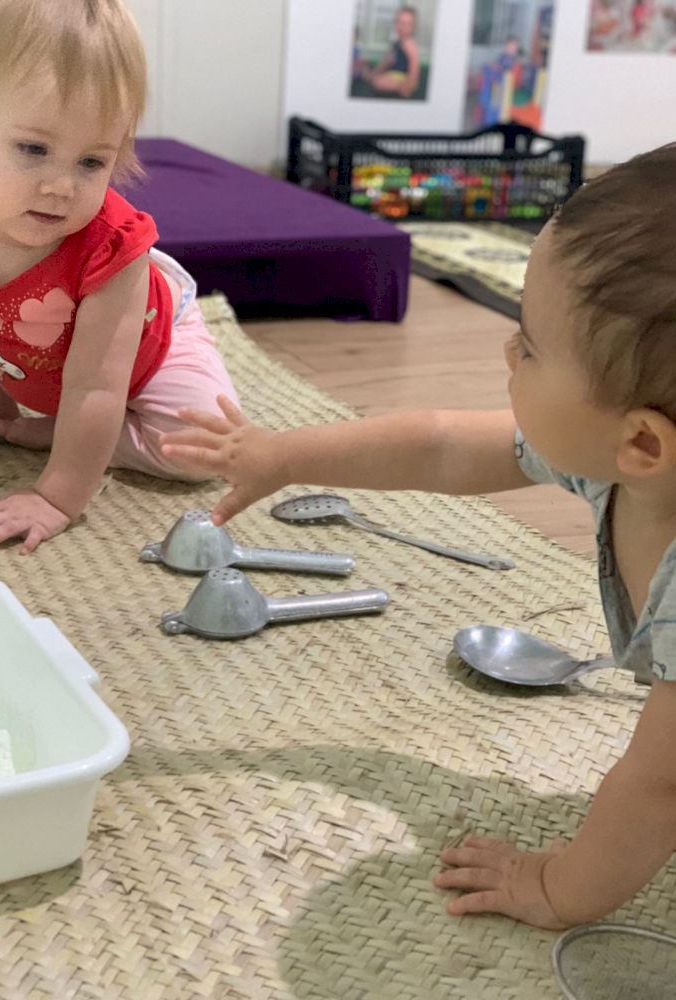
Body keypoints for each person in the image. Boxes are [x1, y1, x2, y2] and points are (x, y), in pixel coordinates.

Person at [160, 145, 676, 930]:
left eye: (530, 346)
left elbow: (659, 784)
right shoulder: (619, 464)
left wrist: (557, 887)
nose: (506, 352)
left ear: (641, 442)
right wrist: (284, 456)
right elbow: (440, 446)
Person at [0, 0, 239, 554]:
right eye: (33, 149)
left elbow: (97, 384)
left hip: (148, 346)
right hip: (33, 357)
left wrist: (57, 496)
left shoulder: (113, 250)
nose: (61, 187)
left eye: (91, 162)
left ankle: (100, 437)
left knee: (206, 451)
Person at [360, 6, 421, 99]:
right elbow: (387, 61)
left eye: (407, 24)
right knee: (375, 76)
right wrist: (375, 72)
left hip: (404, 78)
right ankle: (370, 75)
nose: (402, 27)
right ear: (395, 24)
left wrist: (409, 84)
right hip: (394, 75)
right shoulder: (397, 43)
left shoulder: (410, 44)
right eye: (399, 22)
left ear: (413, 28)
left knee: (379, 82)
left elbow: (414, 69)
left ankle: (402, 88)